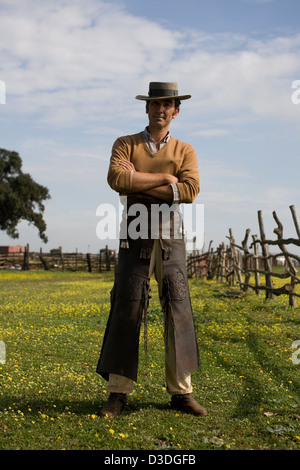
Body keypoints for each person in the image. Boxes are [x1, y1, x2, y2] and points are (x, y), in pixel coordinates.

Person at [96, 82, 207, 418]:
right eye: (155, 104)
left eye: (167, 104)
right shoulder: (124, 144)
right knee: (127, 307)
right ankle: (117, 393)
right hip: (134, 234)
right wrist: (166, 180)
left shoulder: (186, 150)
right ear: (146, 108)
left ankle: (181, 393)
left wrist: (140, 180)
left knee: (178, 309)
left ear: (176, 110)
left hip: (171, 237)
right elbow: (117, 179)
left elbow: (189, 191)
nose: (160, 110)